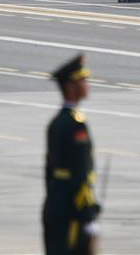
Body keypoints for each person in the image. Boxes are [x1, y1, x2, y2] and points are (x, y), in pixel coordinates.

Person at [43, 54, 100, 254]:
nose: (87, 84)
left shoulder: (56, 122)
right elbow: (80, 173)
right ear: (70, 87)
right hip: (72, 209)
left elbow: (49, 171)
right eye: (82, 80)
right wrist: (87, 214)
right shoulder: (76, 126)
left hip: (56, 203)